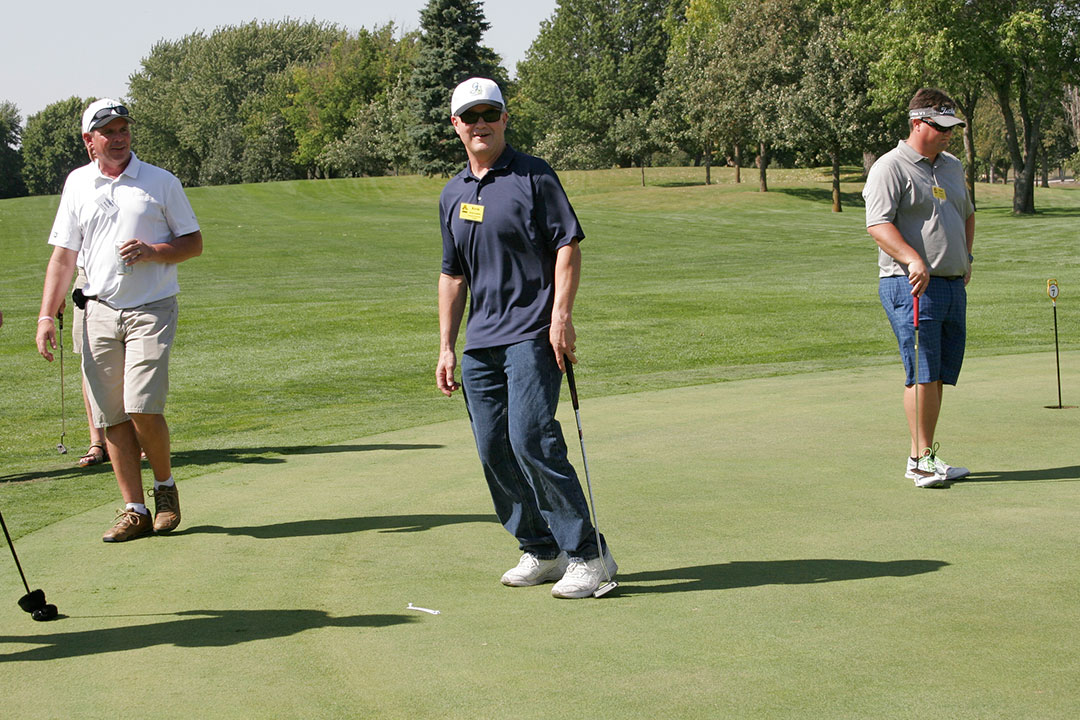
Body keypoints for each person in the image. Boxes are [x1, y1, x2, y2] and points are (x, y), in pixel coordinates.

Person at [436, 77, 616, 599]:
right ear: (456, 125)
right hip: (480, 343)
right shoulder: (452, 193)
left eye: (489, 113)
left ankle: (588, 554)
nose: (481, 124)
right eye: (470, 116)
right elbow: (452, 275)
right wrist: (446, 346)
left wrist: (561, 316)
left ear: (504, 118)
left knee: (531, 438)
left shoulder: (534, 176)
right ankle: (541, 547)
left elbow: (567, 245)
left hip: (533, 332)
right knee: (493, 449)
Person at [35, 98, 202, 541]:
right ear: (89, 140)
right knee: (111, 417)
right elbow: (63, 256)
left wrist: (153, 251)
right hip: (98, 311)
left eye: (123, 129)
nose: (118, 137)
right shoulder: (77, 183)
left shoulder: (160, 182)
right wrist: (47, 315)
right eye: (107, 131)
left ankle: (164, 488)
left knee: (141, 406)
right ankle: (135, 510)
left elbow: (193, 243)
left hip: (151, 308)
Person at [863, 88, 974, 488]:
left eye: (951, 127)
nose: (948, 134)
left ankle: (925, 457)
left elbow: (968, 214)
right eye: (940, 127)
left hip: (950, 284)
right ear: (917, 123)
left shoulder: (952, 167)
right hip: (909, 285)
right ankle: (920, 461)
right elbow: (878, 224)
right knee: (922, 372)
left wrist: (967, 259)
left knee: (938, 373)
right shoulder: (889, 167)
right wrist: (912, 259)